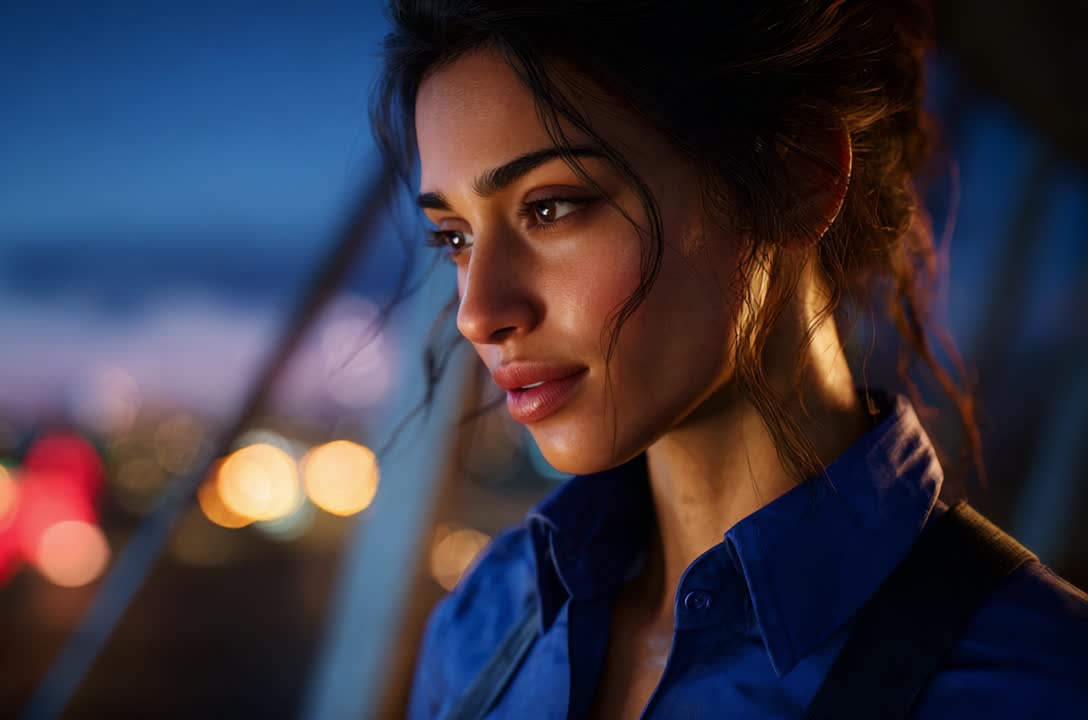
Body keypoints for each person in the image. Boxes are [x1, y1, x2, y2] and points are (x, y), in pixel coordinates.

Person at [369, 1, 1088, 718]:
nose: (478, 312)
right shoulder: (480, 627)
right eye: (454, 237)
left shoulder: (1039, 683)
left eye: (553, 206)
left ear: (796, 179)